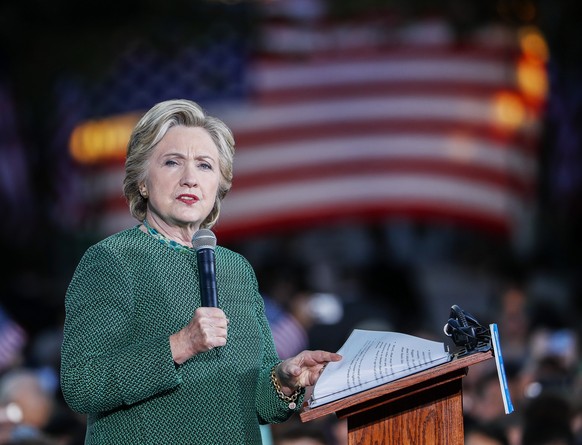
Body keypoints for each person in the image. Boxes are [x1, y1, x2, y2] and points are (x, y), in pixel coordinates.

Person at [59, 99, 342, 445]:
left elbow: (262, 405)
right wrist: (180, 345)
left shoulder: (236, 269)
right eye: (172, 162)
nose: (190, 178)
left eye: (205, 166)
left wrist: (284, 379)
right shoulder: (112, 260)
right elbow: (82, 384)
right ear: (143, 181)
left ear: (219, 186)